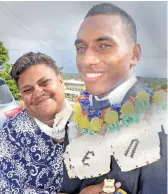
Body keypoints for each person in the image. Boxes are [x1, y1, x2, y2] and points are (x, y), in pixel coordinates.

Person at [64, 3, 167, 194]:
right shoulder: (74, 118)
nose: (87, 60)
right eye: (81, 48)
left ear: (134, 55)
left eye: (104, 46)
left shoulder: (160, 120)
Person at [0, 52, 121, 194]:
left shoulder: (93, 120)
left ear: (61, 81)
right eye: (27, 90)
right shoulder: (11, 133)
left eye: (44, 82)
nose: (38, 93)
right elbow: (7, 188)